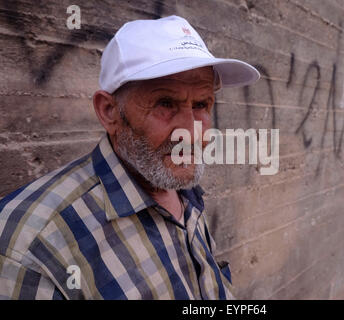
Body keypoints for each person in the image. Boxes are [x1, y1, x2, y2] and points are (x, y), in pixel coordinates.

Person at [0, 15, 260, 299]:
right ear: (109, 111)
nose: (192, 132)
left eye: (201, 104)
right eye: (165, 103)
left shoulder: (183, 190)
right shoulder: (34, 245)